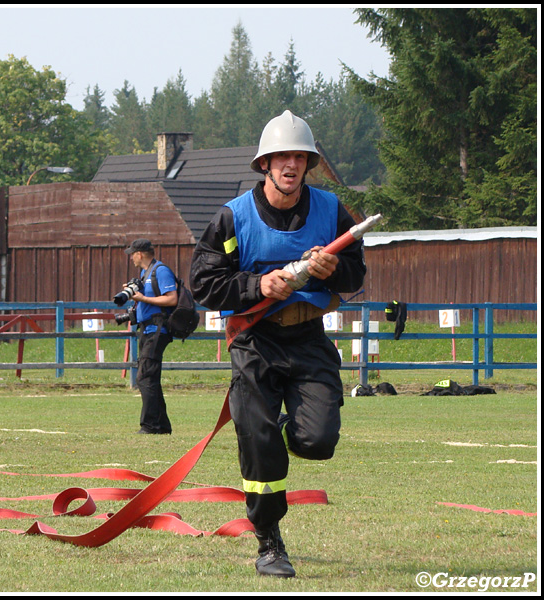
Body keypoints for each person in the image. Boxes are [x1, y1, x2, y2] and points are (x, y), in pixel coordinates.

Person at [190, 110, 367, 578]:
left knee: (317, 441)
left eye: (300, 157)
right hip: (254, 342)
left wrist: (335, 271)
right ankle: (269, 541)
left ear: (308, 164)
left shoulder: (332, 211)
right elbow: (205, 284)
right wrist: (256, 288)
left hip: (309, 339)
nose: (291, 164)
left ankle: (285, 423)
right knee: (259, 439)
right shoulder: (232, 218)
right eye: (282, 156)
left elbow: (356, 272)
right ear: (265, 164)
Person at [124, 239, 177, 435]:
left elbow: (172, 298)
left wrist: (143, 298)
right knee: (150, 376)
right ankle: (162, 425)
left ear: (140, 254)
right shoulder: (144, 274)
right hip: (147, 330)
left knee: (145, 376)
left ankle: (150, 425)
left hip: (157, 329)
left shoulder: (160, 271)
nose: (131, 258)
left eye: (132, 254)